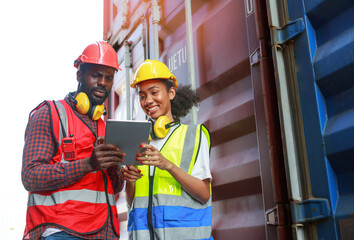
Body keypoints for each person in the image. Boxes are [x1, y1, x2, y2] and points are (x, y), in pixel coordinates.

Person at [22, 41, 125, 240]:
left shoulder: (105, 126)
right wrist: (88, 164)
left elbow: (113, 187)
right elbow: (30, 176)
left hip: (105, 233)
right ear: (79, 75)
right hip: (60, 231)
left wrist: (117, 168)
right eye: (96, 75)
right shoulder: (49, 113)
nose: (103, 82)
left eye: (109, 78)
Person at [123, 59, 213, 240]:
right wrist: (130, 180)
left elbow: (204, 194)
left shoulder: (194, 136)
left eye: (154, 92)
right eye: (142, 96)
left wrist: (168, 165)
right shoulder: (137, 139)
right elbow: (131, 202)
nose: (148, 101)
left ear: (171, 93)